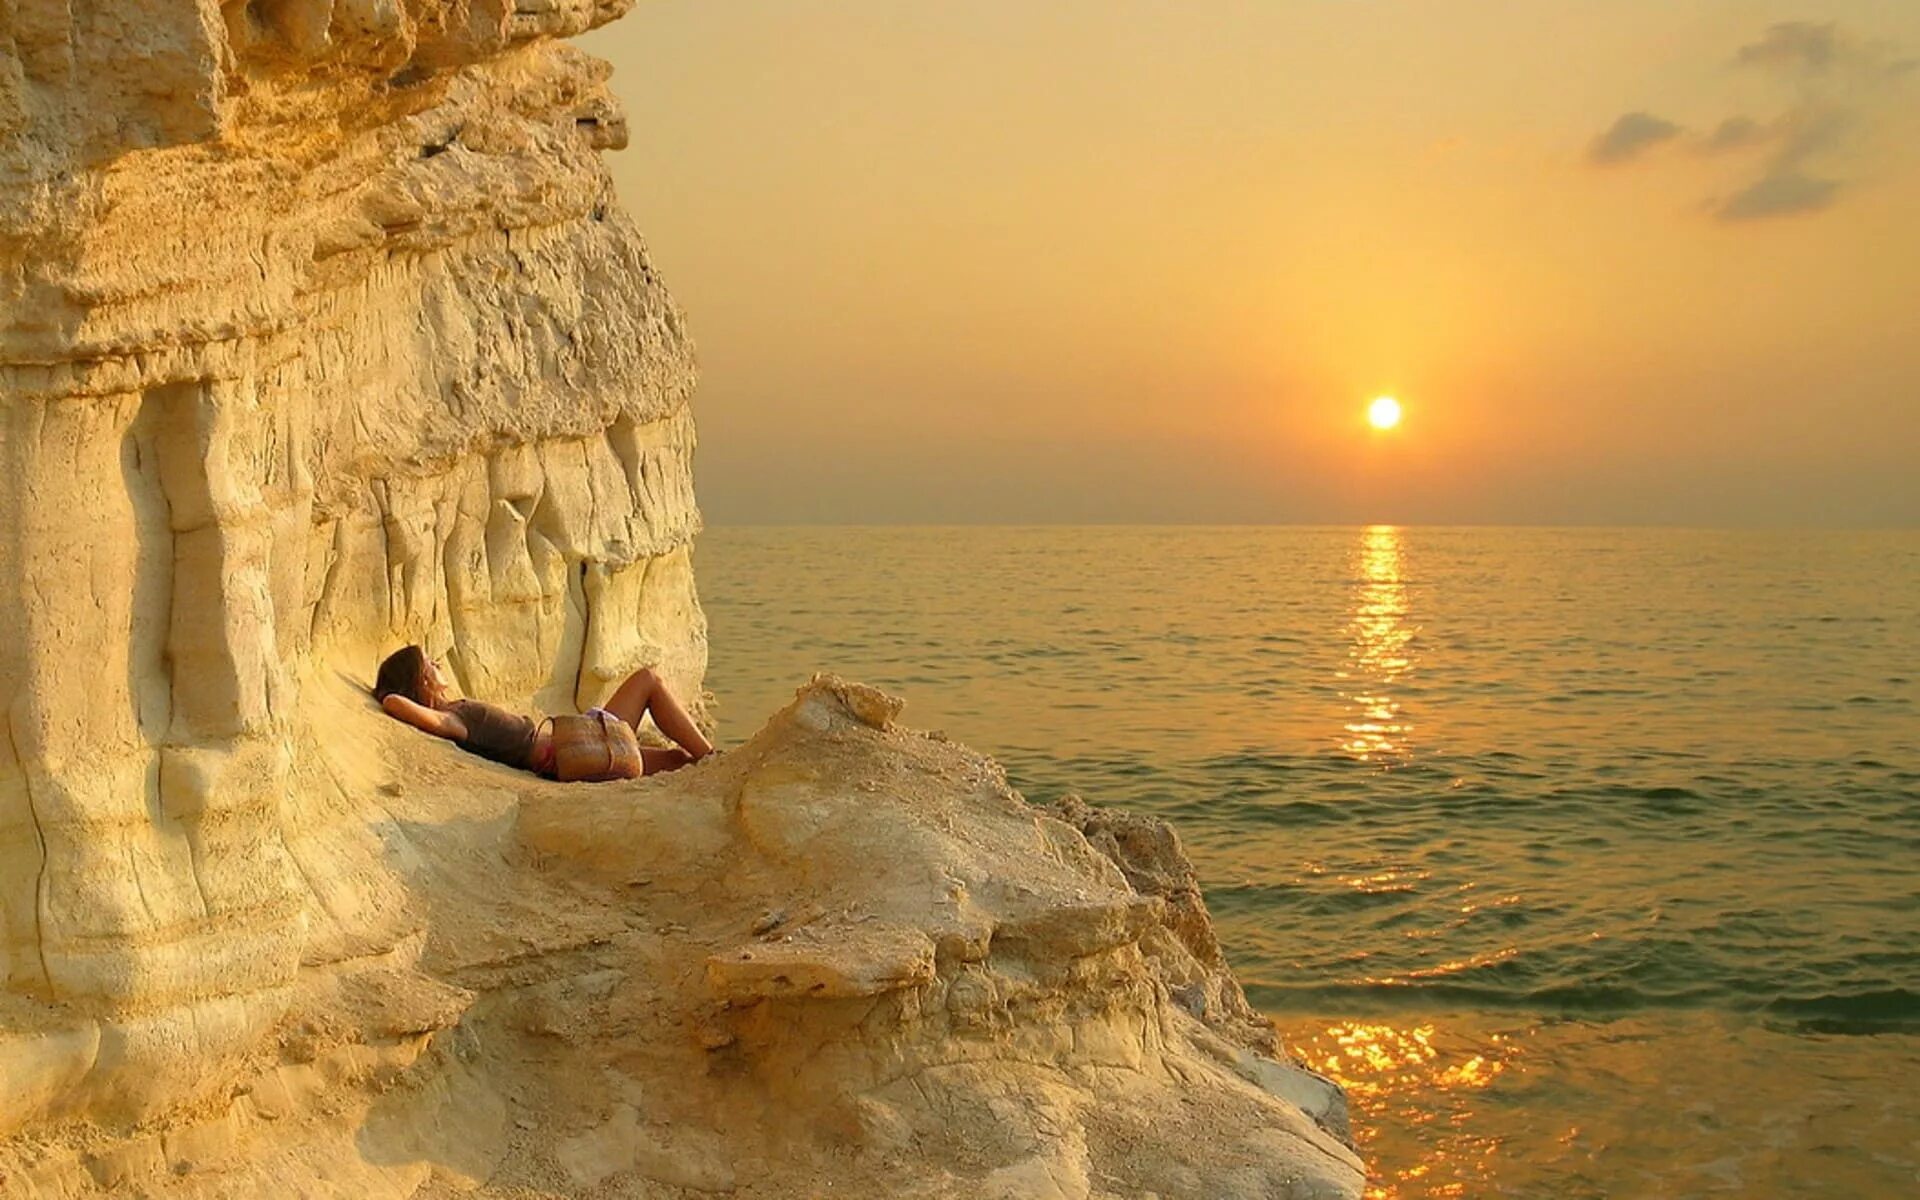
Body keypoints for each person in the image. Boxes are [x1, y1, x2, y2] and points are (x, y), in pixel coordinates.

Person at [372, 645, 713, 777]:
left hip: (575, 742)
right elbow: (397, 705)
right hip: (571, 748)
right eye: (428, 664)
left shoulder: (456, 709)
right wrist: (392, 696)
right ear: (421, 680)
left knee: (676, 761)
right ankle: (714, 757)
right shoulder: (453, 718)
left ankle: (707, 762)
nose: (436, 662)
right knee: (647, 681)